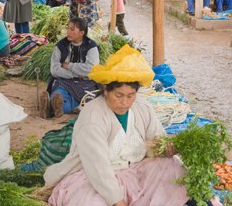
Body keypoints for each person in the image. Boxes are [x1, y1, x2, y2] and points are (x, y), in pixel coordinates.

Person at [44, 46, 188, 206]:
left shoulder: (142, 107)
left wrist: (166, 148)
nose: (125, 102)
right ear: (105, 91)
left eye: (131, 95)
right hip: (93, 178)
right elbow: (97, 166)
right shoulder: (93, 116)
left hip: (135, 171)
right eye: (118, 95)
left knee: (173, 168)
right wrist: (117, 201)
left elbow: (156, 140)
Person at [40, 17, 100, 119]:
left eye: (72, 30)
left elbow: (91, 69)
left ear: (81, 33)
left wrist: (69, 66)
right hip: (64, 82)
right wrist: (76, 74)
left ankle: (51, 108)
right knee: (59, 94)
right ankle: (52, 105)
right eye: (68, 29)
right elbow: (54, 70)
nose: (68, 32)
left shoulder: (91, 47)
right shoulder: (61, 46)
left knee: (82, 101)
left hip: (86, 84)